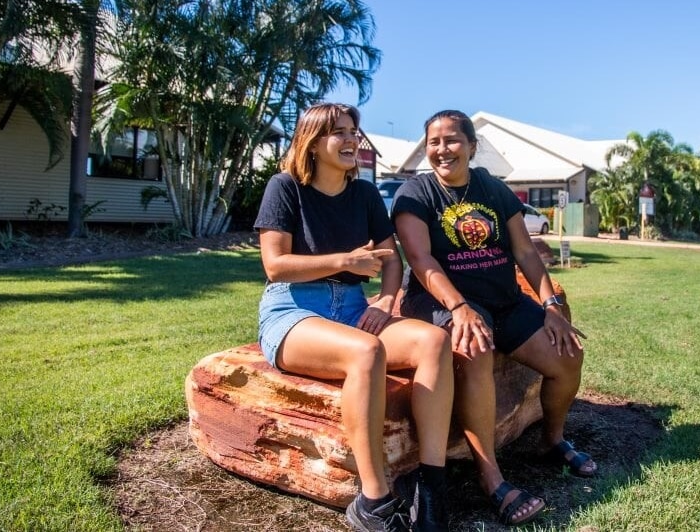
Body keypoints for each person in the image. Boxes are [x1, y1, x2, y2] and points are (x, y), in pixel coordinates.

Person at [254, 103, 454, 532]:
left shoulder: (364, 193)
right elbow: (275, 265)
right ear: (312, 142)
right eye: (339, 133)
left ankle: (431, 486)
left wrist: (384, 301)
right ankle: (374, 500)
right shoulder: (284, 186)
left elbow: (391, 260)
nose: (351, 141)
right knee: (366, 352)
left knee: (435, 341)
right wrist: (346, 259)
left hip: (354, 307)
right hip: (292, 309)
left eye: (353, 132)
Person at [391, 109, 596, 527]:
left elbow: (524, 251)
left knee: (567, 356)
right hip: (440, 301)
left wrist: (551, 305)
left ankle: (552, 440)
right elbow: (420, 258)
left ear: (471, 145)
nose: (442, 150)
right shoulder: (415, 193)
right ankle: (492, 477)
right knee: (475, 347)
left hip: (504, 301)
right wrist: (459, 308)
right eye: (434, 142)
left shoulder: (491, 188)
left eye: (451, 140)